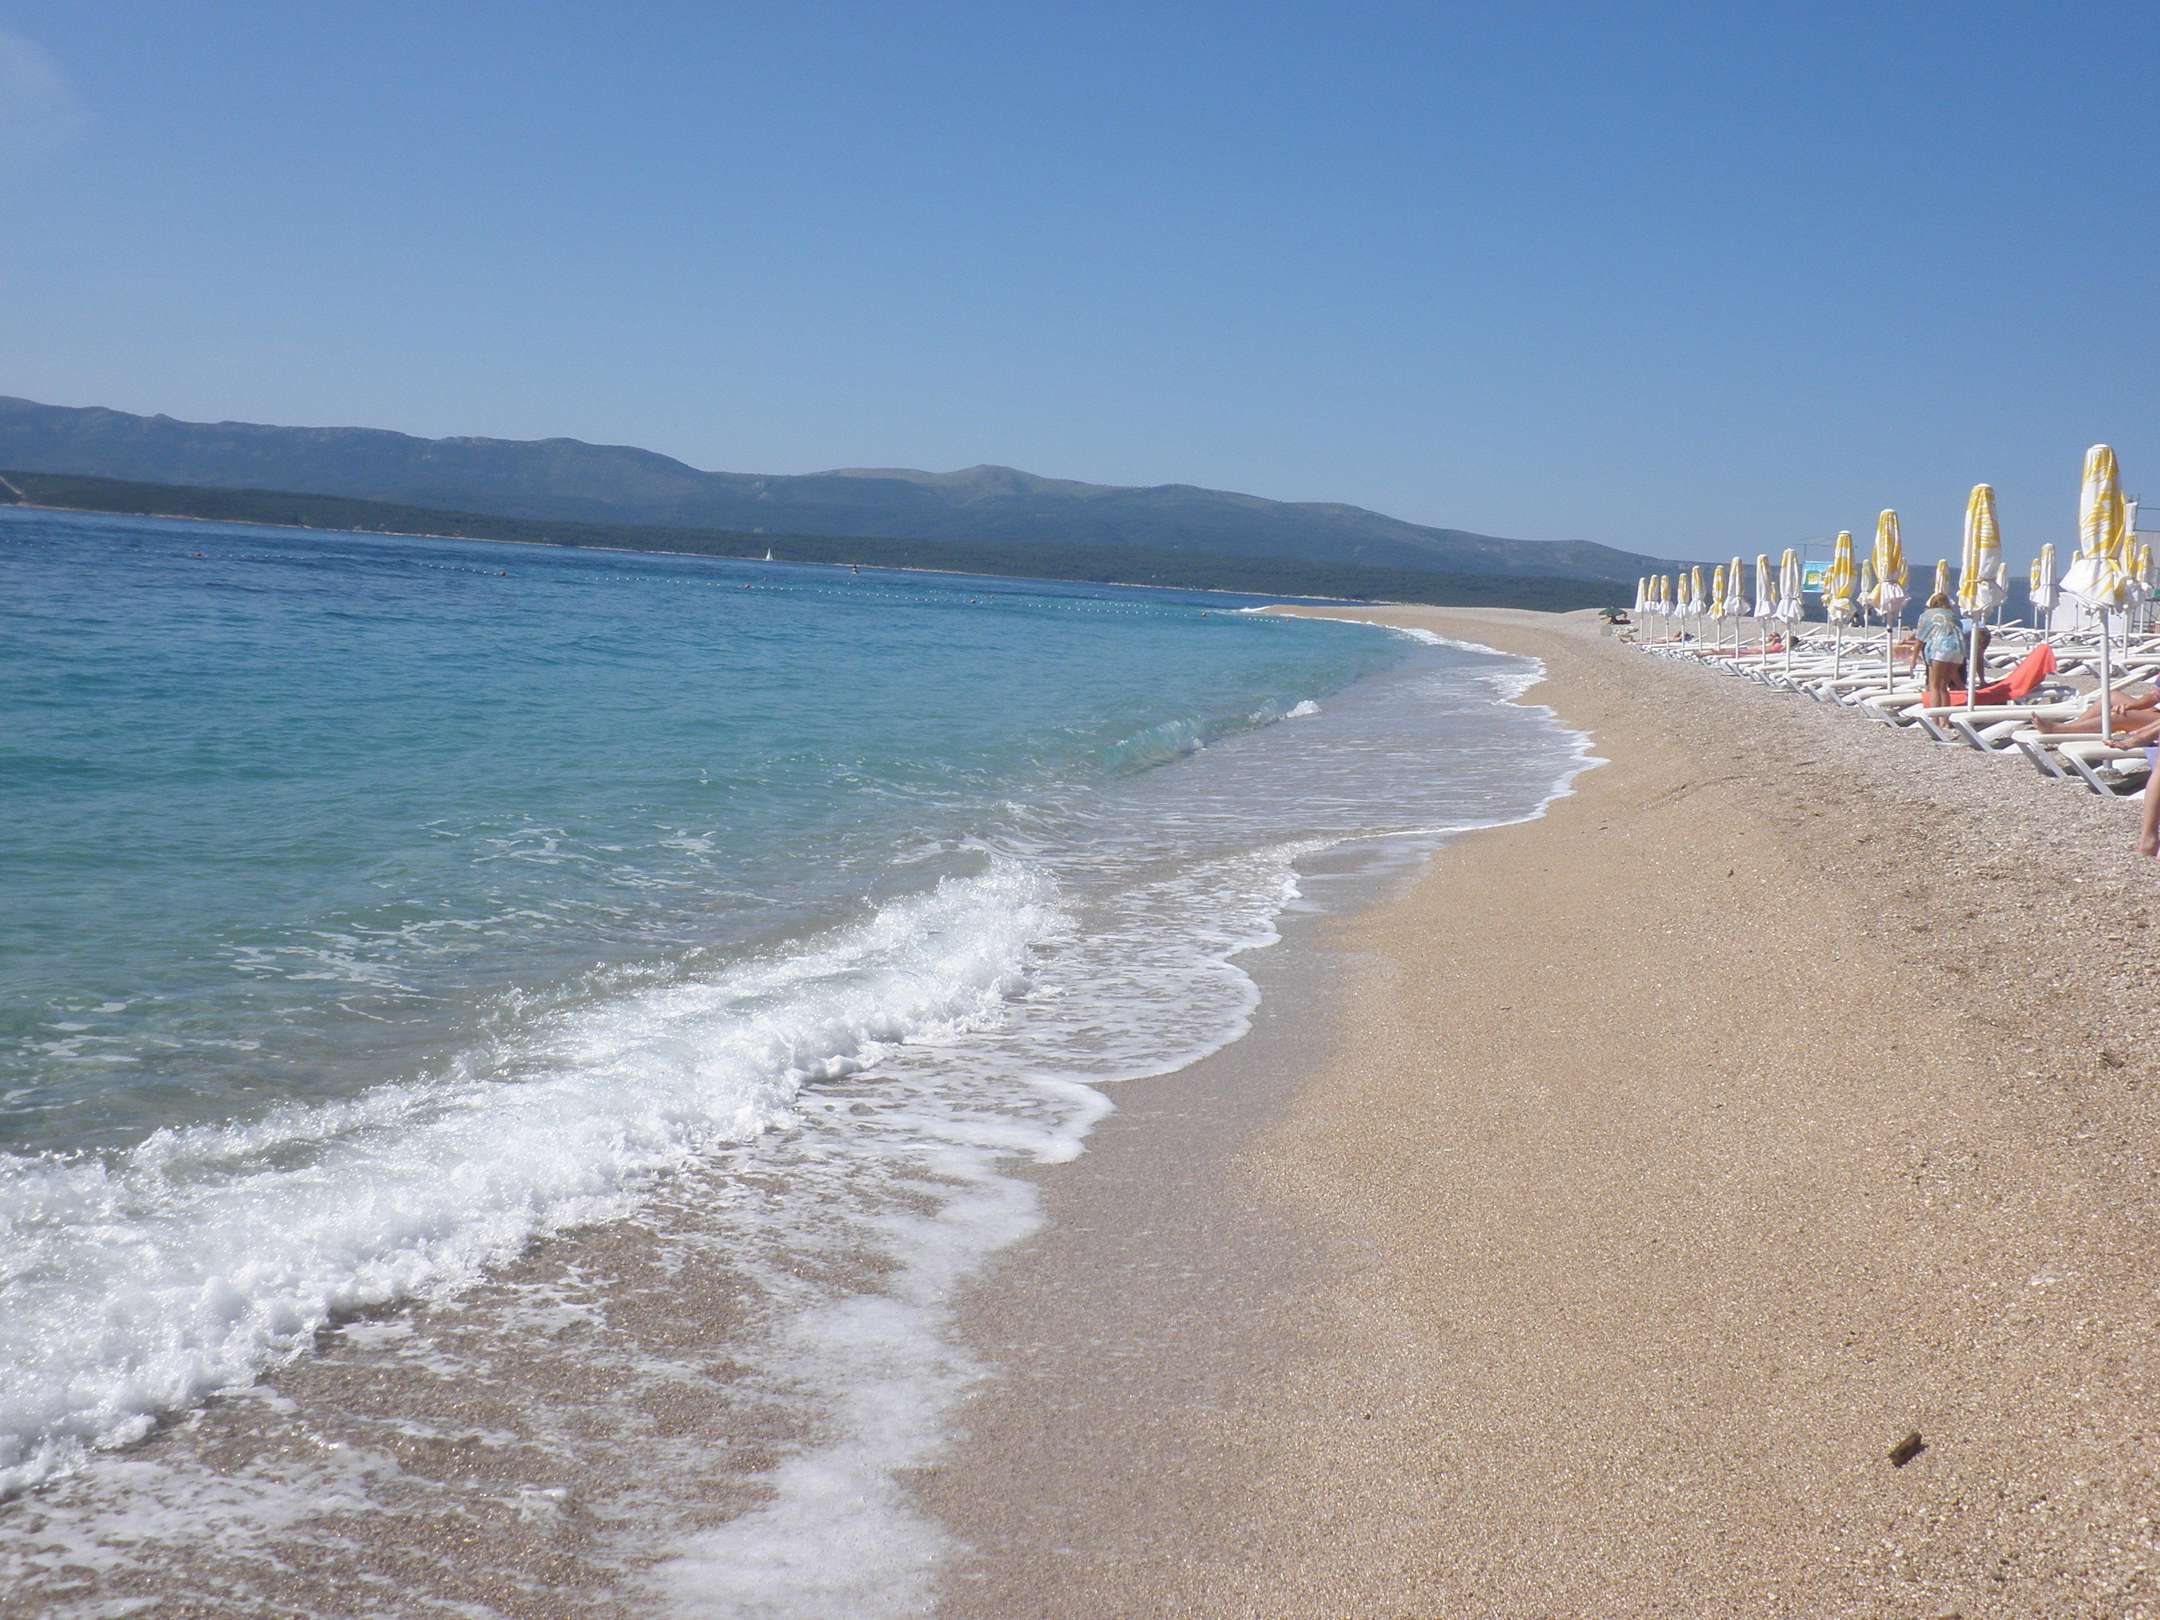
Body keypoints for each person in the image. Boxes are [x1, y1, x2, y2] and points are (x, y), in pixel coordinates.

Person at [1912, 591, 1965, 708]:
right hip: (1958, 650)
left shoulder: (1927, 615)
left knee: (1934, 686)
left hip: (1940, 648)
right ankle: (1944, 718)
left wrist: (1913, 660)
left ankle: (1935, 717)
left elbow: (1919, 640)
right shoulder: (1953, 615)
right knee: (1943, 686)